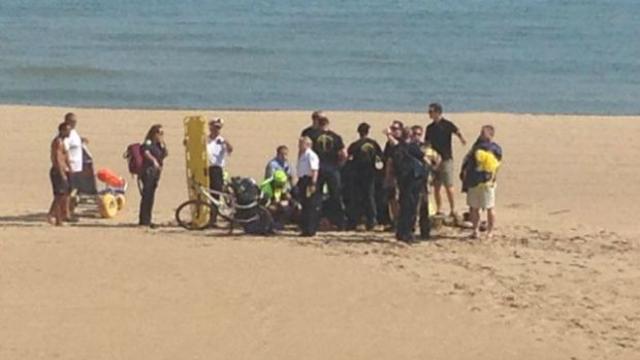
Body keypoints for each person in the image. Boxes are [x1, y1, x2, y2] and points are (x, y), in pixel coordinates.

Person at [424, 102, 467, 217]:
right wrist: (427, 153)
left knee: (448, 185)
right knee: (436, 186)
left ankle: (453, 209)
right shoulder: (430, 128)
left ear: (437, 112)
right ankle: (439, 208)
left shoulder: (447, 124)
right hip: (434, 160)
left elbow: (456, 130)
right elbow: (427, 143)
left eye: (431, 112)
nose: (429, 114)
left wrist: (462, 139)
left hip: (446, 158)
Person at [388, 127, 429, 243]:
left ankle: (400, 232)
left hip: (402, 180)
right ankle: (407, 233)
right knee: (411, 207)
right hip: (413, 180)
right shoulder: (412, 147)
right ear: (410, 136)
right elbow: (424, 158)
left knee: (403, 205)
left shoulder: (397, 147)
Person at [460, 125, 502, 239]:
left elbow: (497, 165)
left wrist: (493, 178)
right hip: (474, 181)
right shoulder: (477, 147)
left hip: (487, 182)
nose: (482, 135)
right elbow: (468, 162)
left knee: (490, 207)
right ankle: (475, 230)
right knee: (474, 207)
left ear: (490, 135)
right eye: (481, 133)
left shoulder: (495, 149)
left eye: (484, 133)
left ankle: (490, 231)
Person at [309, 115, 347, 229]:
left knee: (317, 196)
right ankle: (340, 223)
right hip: (332, 169)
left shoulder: (313, 136)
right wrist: (340, 164)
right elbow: (344, 154)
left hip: (319, 169)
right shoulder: (336, 137)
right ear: (327, 124)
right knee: (335, 196)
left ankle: (315, 222)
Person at [346, 122, 383, 230]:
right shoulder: (374, 144)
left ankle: (355, 221)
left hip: (358, 173)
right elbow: (379, 158)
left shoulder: (355, 145)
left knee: (357, 197)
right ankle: (371, 221)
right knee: (369, 197)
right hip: (370, 174)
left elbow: (349, 158)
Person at [139, 124, 168, 228]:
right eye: (159, 133)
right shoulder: (148, 142)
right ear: (154, 133)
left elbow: (164, 155)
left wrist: (163, 145)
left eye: (162, 133)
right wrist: (153, 160)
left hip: (156, 172)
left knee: (151, 195)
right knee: (147, 195)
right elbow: (146, 152)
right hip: (148, 171)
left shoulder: (159, 145)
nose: (160, 135)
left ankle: (148, 218)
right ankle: (144, 220)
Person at [206, 117, 233, 224]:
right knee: (204, 192)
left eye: (218, 128)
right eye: (214, 127)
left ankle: (213, 219)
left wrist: (226, 143)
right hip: (205, 167)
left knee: (215, 194)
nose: (216, 130)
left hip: (216, 168)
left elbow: (230, 150)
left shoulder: (221, 140)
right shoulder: (205, 139)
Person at [380, 120, 404, 228]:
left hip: (400, 175)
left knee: (399, 198)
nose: (393, 131)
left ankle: (400, 220)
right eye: (392, 128)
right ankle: (395, 220)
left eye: (395, 129)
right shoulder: (388, 144)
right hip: (390, 174)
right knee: (391, 198)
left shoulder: (402, 142)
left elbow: (397, 145)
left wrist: (389, 135)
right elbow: (386, 158)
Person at [48, 122, 72, 226]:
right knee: (59, 195)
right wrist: (61, 173)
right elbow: (57, 159)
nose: (69, 132)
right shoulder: (57, 141)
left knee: (63, 195)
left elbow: (65, 156)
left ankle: (56, 216)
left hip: (63, 170)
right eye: (67, 130)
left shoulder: (63, 141)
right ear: (62, 130)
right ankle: (56, 218)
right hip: (57, 171)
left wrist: (69, 168)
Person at [296, 136, 320, 237]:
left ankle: (311, 229)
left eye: (301, 143)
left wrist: (313, 184)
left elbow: (314, 170)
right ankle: (305, 228)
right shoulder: (302, 155)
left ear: (307, 144)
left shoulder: (311, 155)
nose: (299, 145)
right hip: (302, 180)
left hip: (308, 181)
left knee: (310, 206)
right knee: (304, 205)